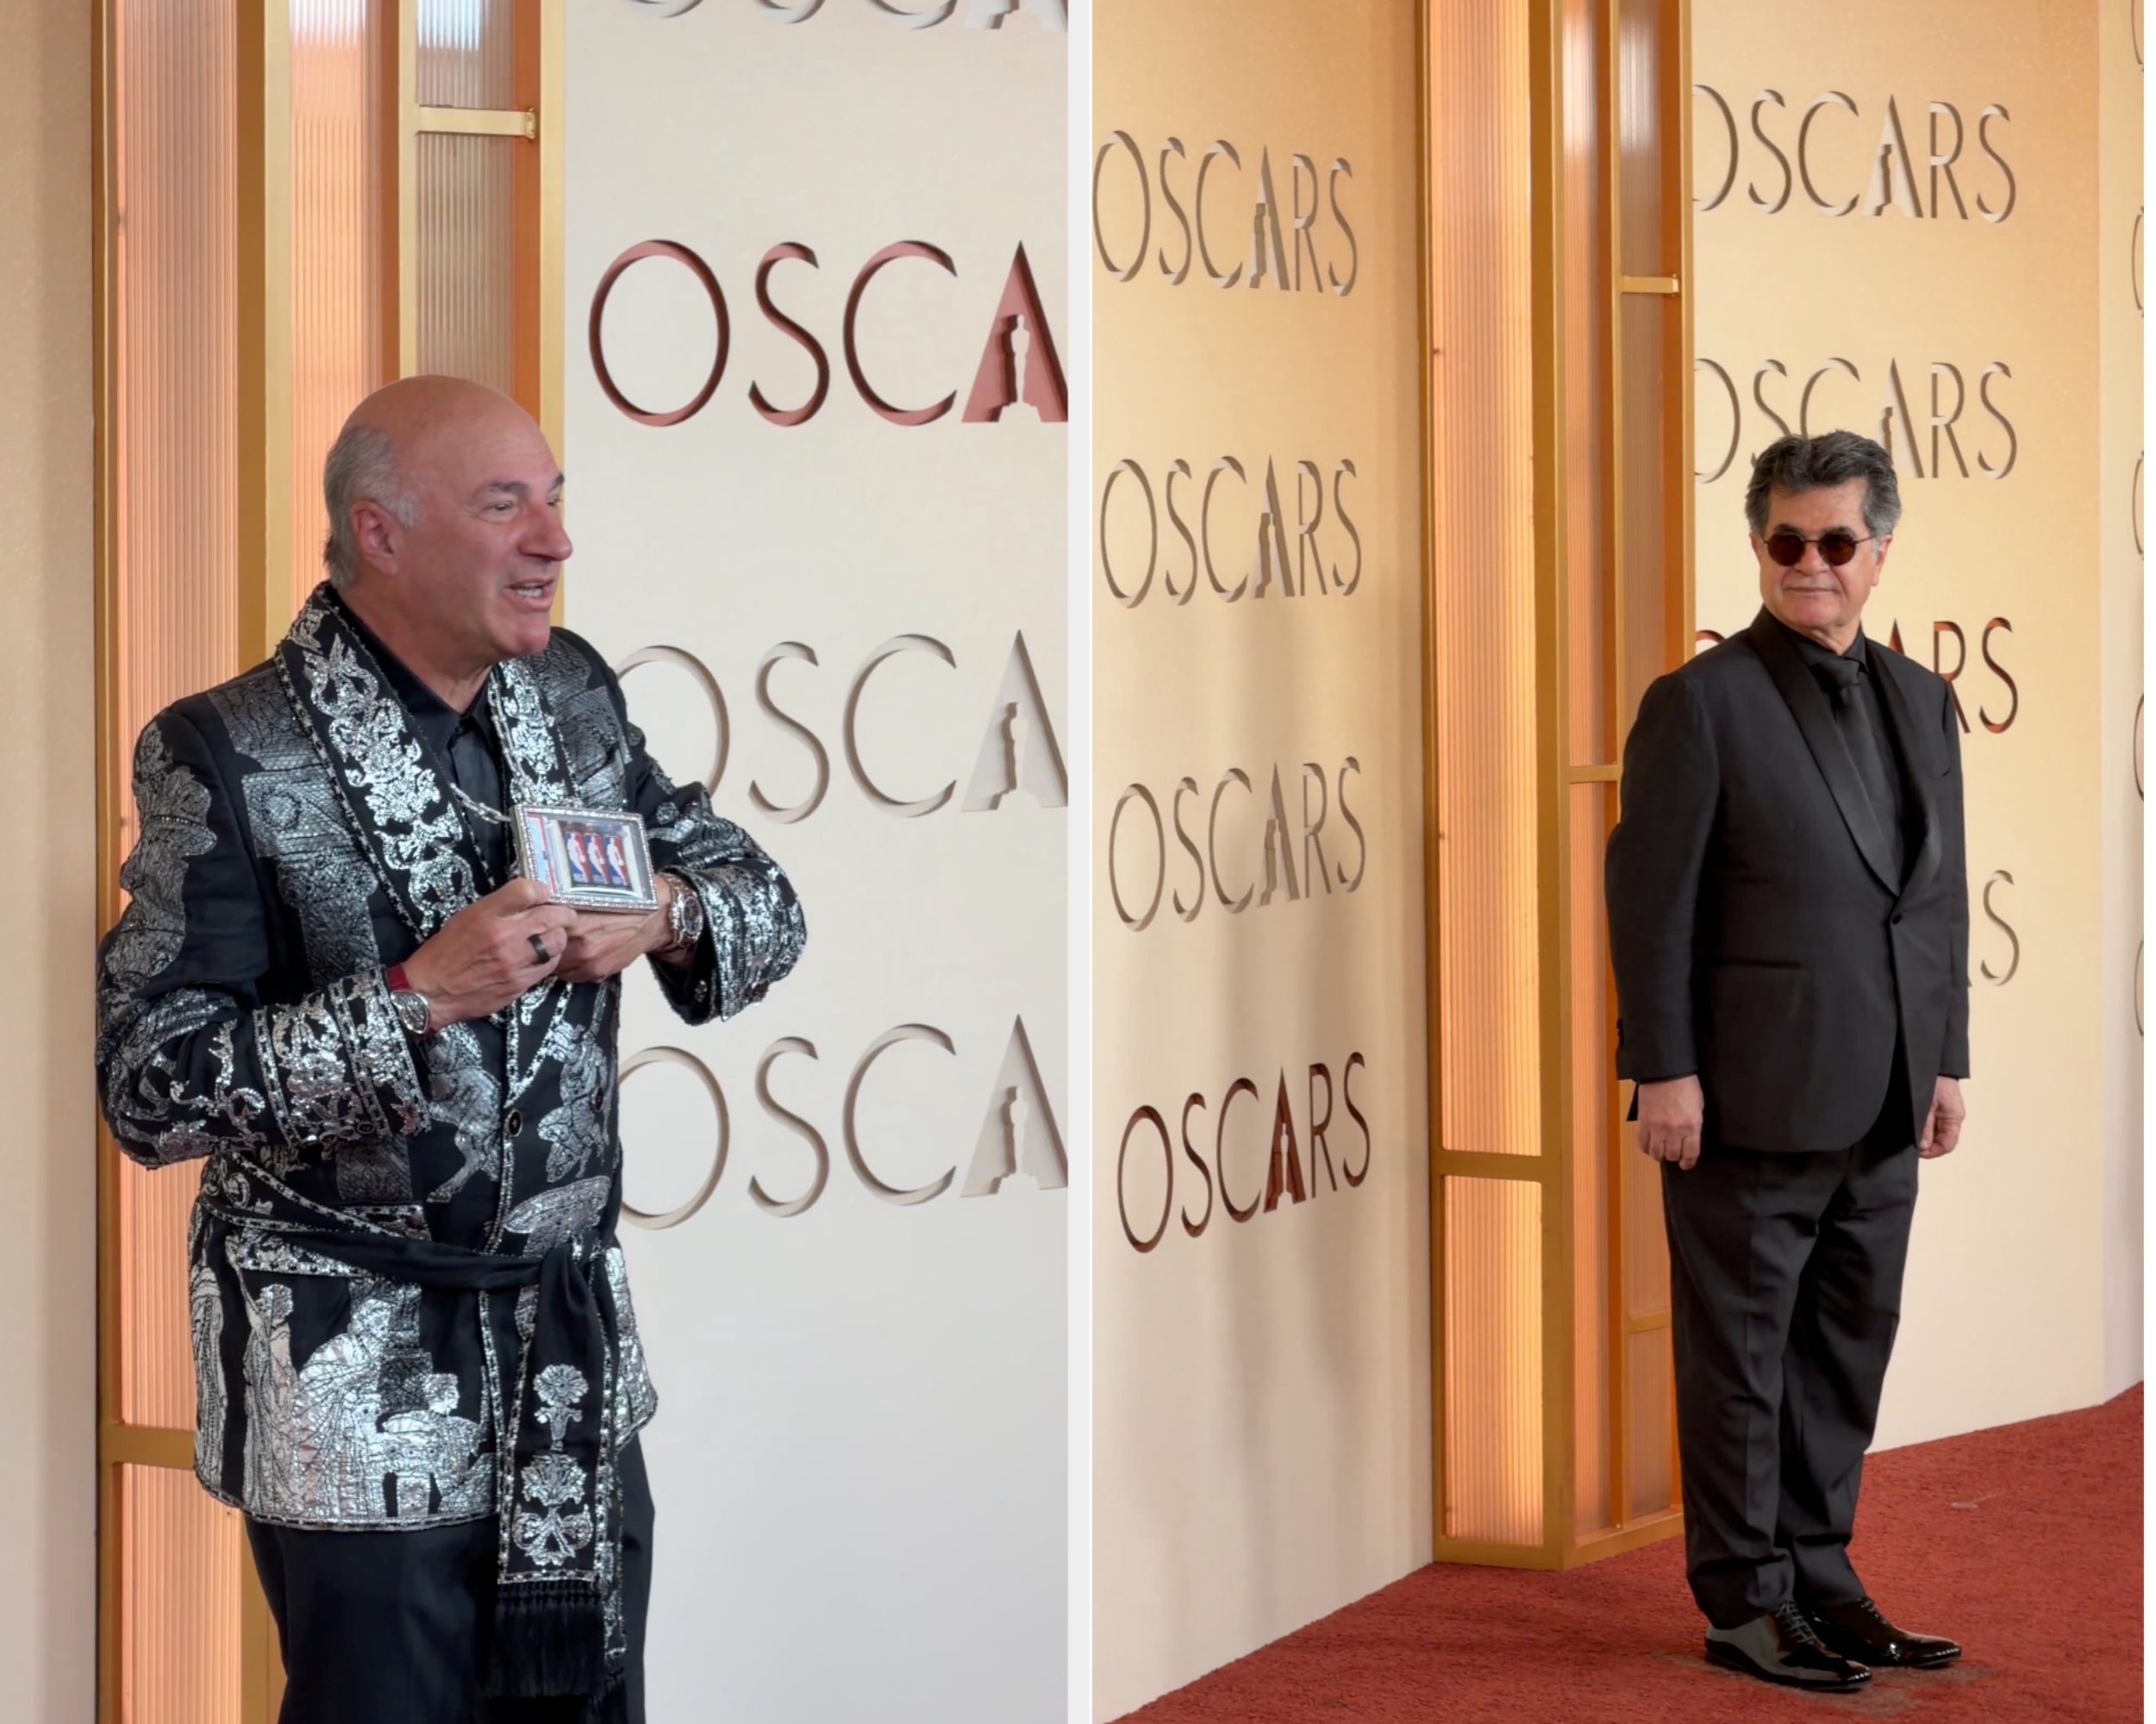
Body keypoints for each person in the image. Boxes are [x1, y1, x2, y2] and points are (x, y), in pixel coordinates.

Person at [96, 374, 807, 1723]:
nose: (553, 541)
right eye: (502, 507)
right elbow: (148, 1083)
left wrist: (662, 913)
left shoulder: (572, 696)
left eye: (554, 501)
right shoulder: (224, 749)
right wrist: (416, 996)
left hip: (568, 1359)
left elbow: (763, 905)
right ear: (381, 532)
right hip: (350, 1378)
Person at [1604, 430, 1967, 1693]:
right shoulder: (1699, 703)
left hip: (1885, 1091)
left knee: (1844, 1354)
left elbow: (1933, 899)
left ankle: (1823, 1577)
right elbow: (1649, 903)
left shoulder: (1921, 698)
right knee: (1741, 1365)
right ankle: (1745, 1603)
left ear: (1879, 552)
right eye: (1784, 540)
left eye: (1835, 541)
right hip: (1744, 1098)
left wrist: (1945, 1057)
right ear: (1758, 545)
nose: (1809, 563)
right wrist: (1662, 1068)